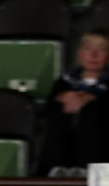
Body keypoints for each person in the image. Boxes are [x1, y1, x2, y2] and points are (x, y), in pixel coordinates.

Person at [37, 28, 109, 177]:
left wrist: (92, 100)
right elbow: (47, 112)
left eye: (101, 50)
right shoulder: (64, 81)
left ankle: (87, 169)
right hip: (63, 150)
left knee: (94, 111)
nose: (93, 55)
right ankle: (55, 168)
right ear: (80, 53)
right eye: (88, 49)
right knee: (58, 109)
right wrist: (64, 97)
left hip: (100, 154)